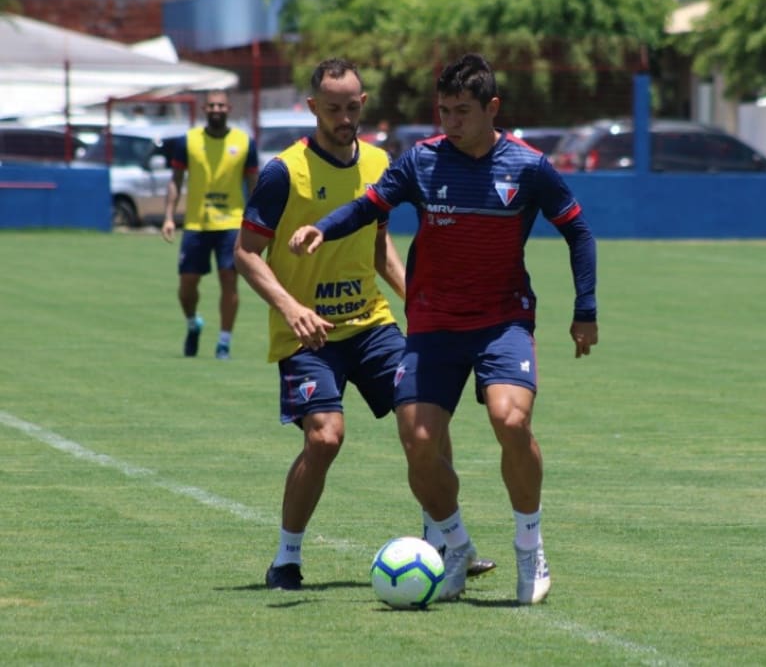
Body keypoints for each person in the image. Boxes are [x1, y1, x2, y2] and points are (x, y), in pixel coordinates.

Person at [289, 53, 599, 605]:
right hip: (432, 324)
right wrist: (323, 228)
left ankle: (530, 545)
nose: (450, 122)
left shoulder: (528, 167)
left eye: (462, 111)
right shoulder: (421, 162)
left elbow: (579, 233)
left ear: (492, 108)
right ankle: (455, 544)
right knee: (420, 442)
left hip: (502, 320)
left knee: (511, 419)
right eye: (444, 110)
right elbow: (367, 207)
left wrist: (586, 311)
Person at [232, 58, 495, 591]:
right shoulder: (284, 173)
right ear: (312, 109)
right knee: (326, 439)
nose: (344, 116)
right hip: (309, 333)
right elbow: (246, 254)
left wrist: (413, 299)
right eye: (333, 108)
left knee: (426, 423)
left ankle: (442, 541)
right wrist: (291, 308)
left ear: (364, 103)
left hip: (372, 323)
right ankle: (286, 558)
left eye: (353, 106)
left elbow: (378, 246)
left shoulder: (379, 162)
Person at [162, 90, 259, 360]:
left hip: (231, 223)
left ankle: (224, 342)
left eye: (221, 105)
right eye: (212, 105)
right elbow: (176, 179)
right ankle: (193, 323)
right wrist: (169, 216)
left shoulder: (244, 142)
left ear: (229, 108)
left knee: (229, 280)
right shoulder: (189, 141)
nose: (216, 109)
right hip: (196, 223)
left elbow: (254, 184)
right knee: (187, 286)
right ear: (205, 108)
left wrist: (257, 219)